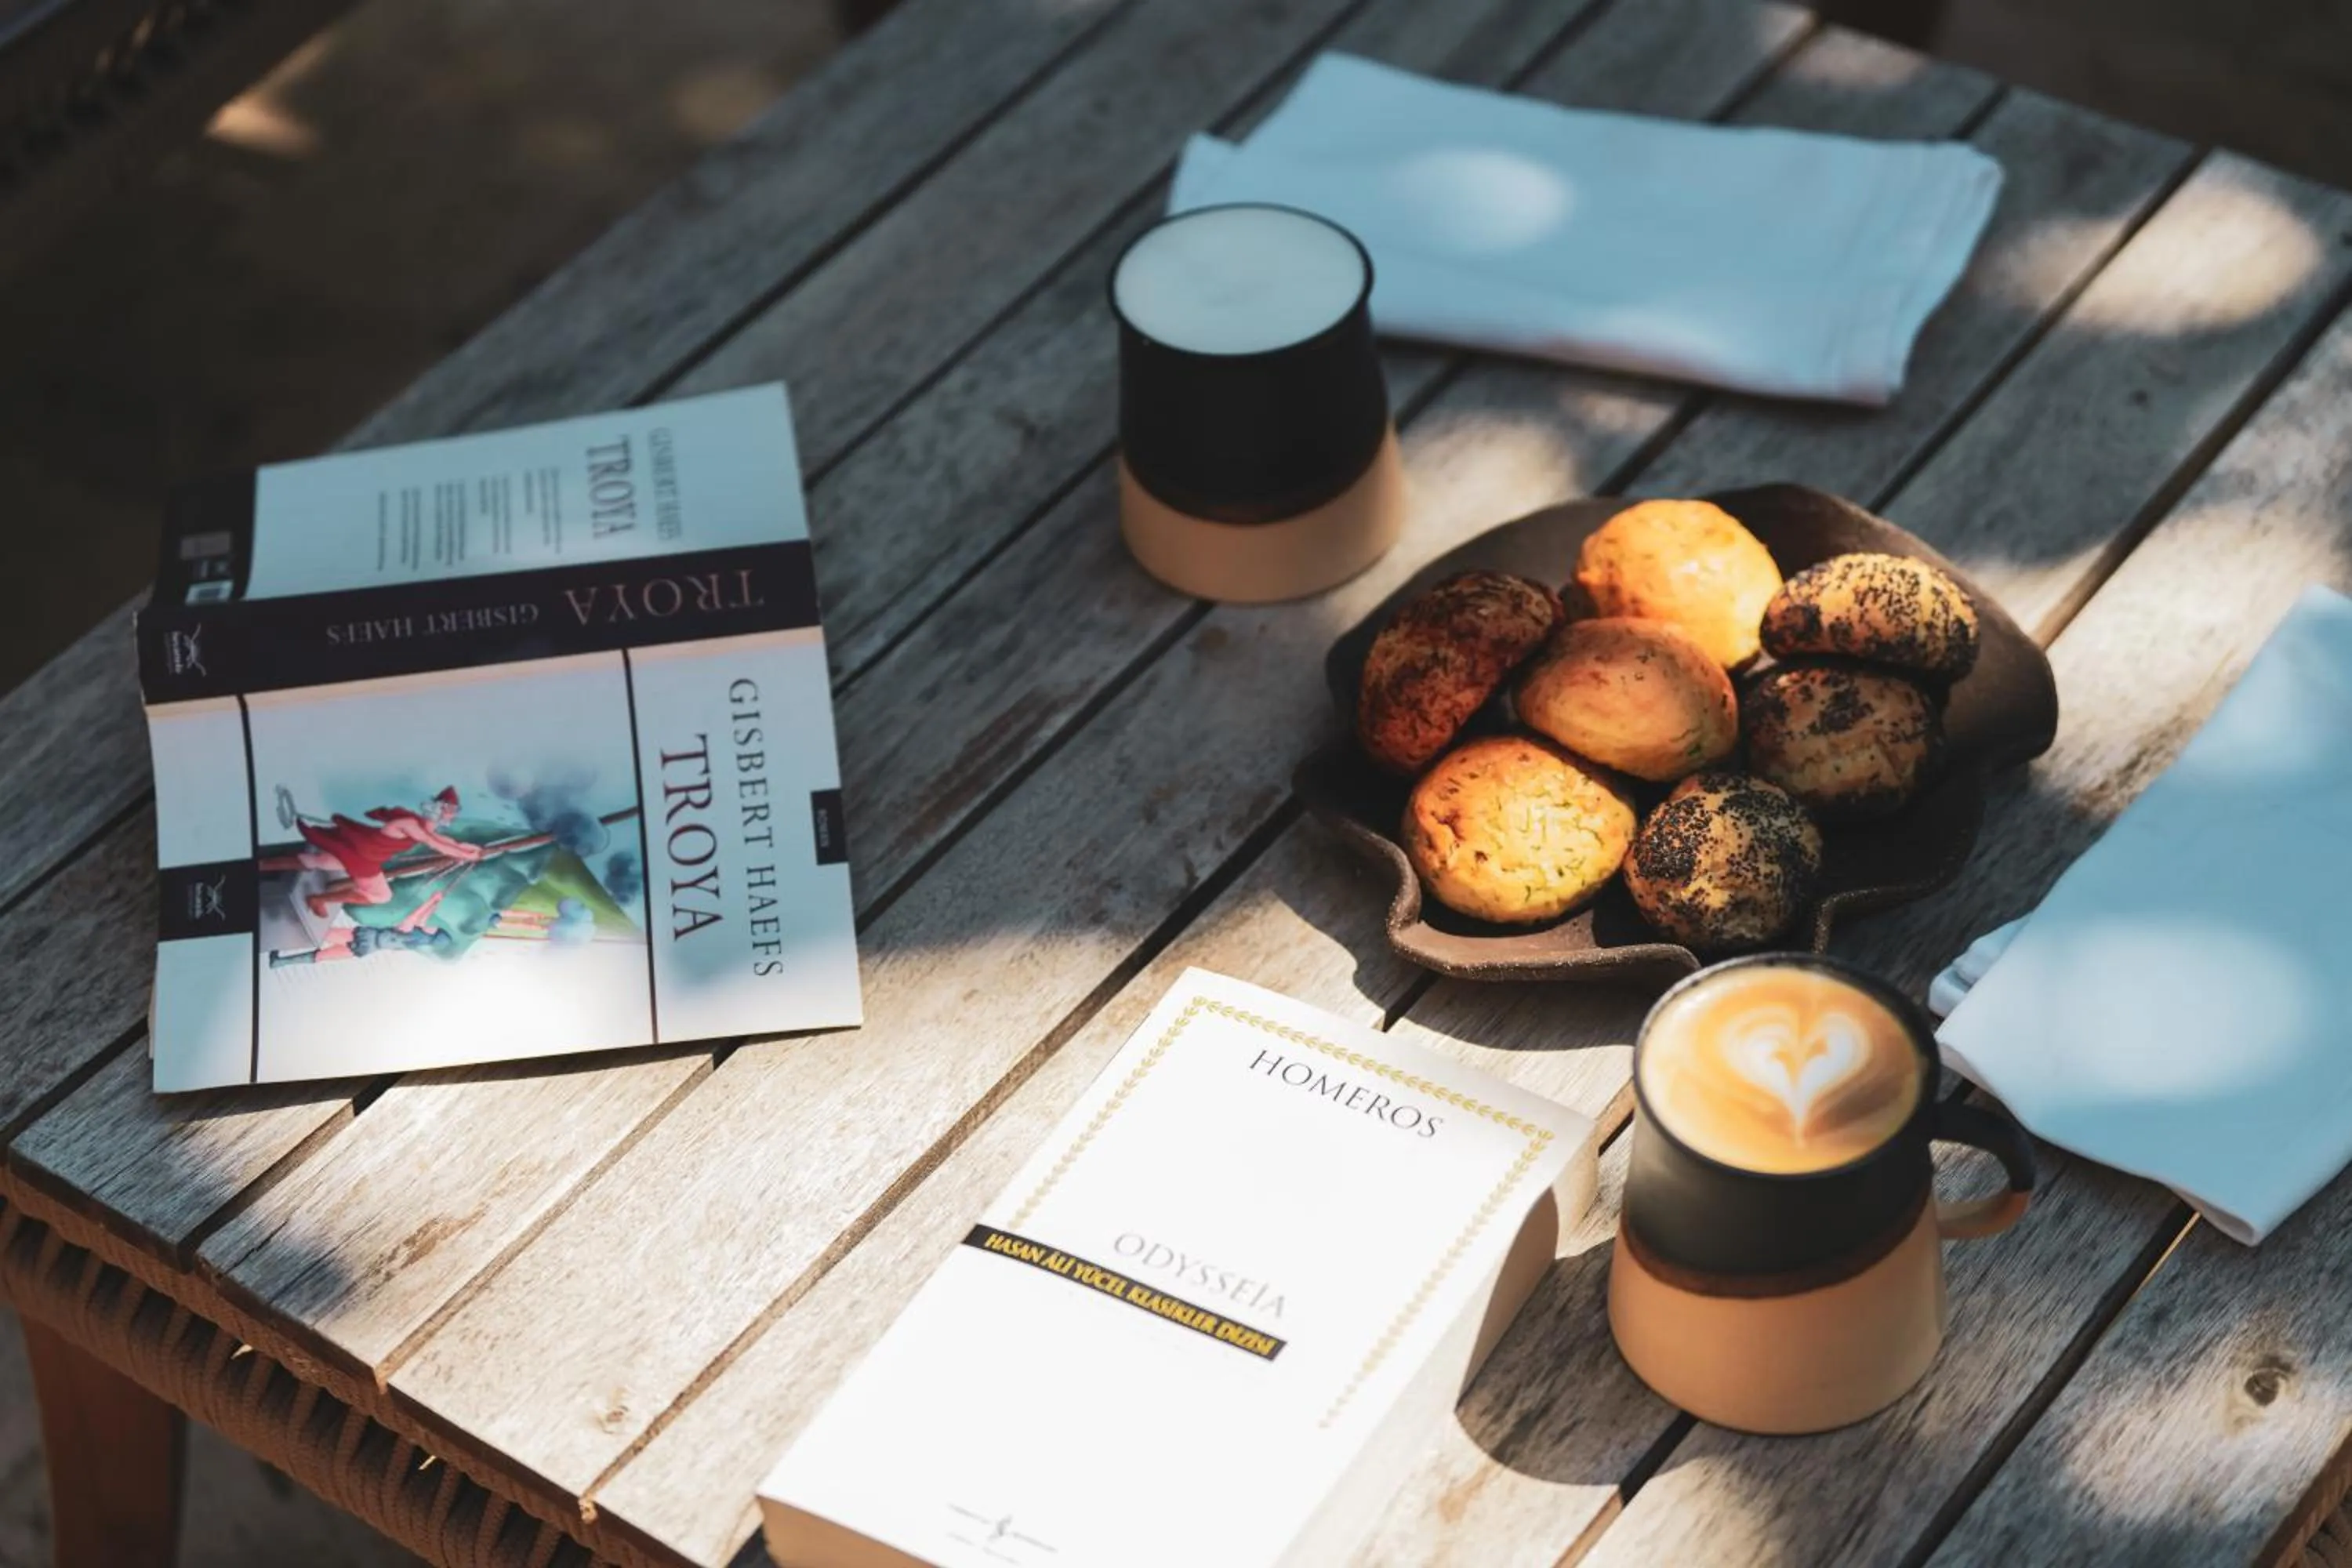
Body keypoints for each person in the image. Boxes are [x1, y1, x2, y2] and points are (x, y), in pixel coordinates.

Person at [259, 786, 483, 920]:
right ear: (440, 808)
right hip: (364, 859)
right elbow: (434, 842)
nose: (453, 816)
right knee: (381, 896)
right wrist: (463, 855)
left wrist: (467, 849)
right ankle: (319, 899)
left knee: (317, 861)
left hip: (360, 854)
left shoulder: (424, 827)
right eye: (451, 810)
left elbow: (443, 840)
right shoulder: (409, 823)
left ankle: (263, 865)